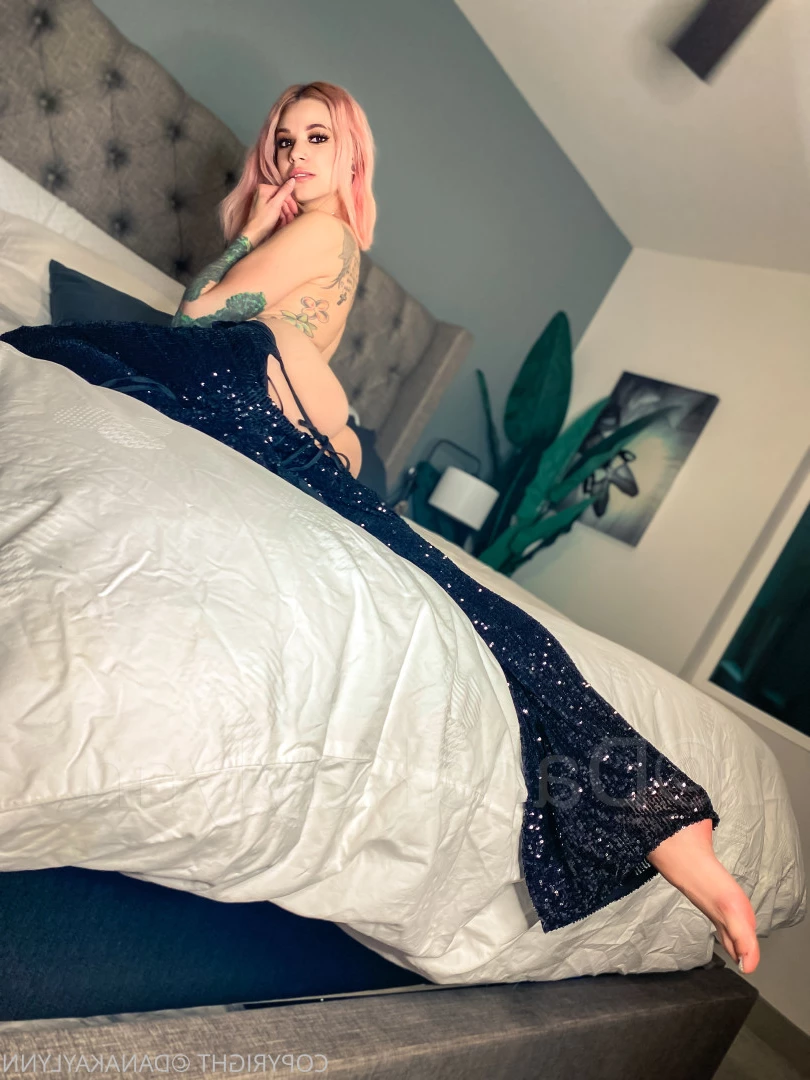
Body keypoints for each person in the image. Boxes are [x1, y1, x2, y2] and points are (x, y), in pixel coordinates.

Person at [2, 81, 759, 975]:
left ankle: (656, 809)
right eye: (284, 141)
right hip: (279, 413)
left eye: (317, 138)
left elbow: (195, 318)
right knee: (452, 590)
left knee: (49, 346)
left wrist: (246, 236)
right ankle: (657, 812)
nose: (296, 156)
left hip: (245, 387)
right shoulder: (333, 243)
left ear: (351, 153)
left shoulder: (315, 233)